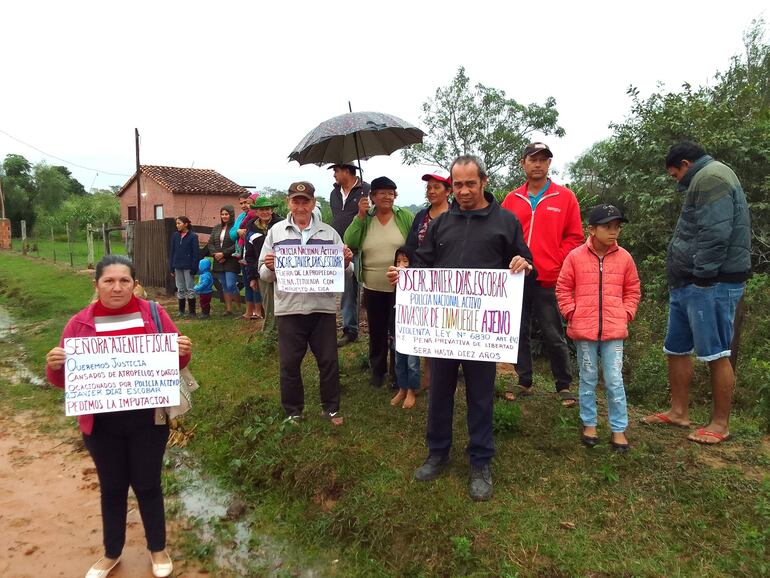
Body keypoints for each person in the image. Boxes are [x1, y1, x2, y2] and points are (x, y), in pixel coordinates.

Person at [387, 155, 534, 501]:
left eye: (470, 183)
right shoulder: (442, 223)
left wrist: (522, 263)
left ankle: (480, 461)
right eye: (457, 184)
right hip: (444, 328)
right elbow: (423, 262)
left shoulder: (506, 222)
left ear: (483, 181)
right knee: (439, 391)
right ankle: (437, 452)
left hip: (482, 334)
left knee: (480, 395)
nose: (463, 191)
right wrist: (404, 276)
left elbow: (527, 263)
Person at [45, 255, 192, 578]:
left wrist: (182, 351)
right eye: (109, 281)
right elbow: (63, 382)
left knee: (148, 484)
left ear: (134, 284)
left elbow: (174, 366)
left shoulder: (154, 314)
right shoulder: (78, 324)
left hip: (148, 420)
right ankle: (112, 552)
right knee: (111, 488)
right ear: (95, 284)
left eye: (124, 281)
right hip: (101, 424)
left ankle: (158, 548)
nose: (117, 287)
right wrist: (55, 366)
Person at [641, 141, 751, 445]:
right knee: (675, 349)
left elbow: (716, 233)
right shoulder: (703, 179)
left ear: (686, 164)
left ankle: (719, 424)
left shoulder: (712, 178)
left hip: (711, 283)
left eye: (674, 173)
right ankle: (678, 411)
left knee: (716, 353)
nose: (675, 179)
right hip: (687, 282)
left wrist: (703, 276)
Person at [259, 181, 353, 426]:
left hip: (321, 309)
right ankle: (293, 411)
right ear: (288, 202)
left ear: (313, 203)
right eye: (296, 201)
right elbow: (263, 273)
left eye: (305, 201)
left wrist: (345, 262)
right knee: (289, 364)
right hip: (288, 309)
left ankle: (331, 409)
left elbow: (348, 271)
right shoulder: (276, 233)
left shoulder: (329, 233)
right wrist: (270, 268)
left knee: (329, 361)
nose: (301, 206)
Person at [501, 142, 584, 407]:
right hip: (516, 278)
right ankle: (523, 379)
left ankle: (564, 384)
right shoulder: (512, 199)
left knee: (553, 332)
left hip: (548, 277)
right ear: (522, 163)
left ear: (549, 164)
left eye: (543, 159)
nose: (537, 164)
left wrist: (552, 263)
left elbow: (574, 238)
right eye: (532, 159)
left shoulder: (565, 197)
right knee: (518, 330)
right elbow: (502, 236)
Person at [556, 204, 641, 452]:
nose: (613, 232)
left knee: (614, 379)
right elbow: (562, 288)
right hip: (584, 330)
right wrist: (572, 312)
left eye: (617, 227)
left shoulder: (625, 258)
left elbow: (633, 289)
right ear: (591, 229)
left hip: (614, 331)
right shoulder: (575, 257)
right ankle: (589, 424)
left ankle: (618, 429)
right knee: (588, 377)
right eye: (607, 226)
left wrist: (626, 313)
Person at [344, 176, 414, 388]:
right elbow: (350, 241)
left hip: (401, 287)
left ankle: (397, 372)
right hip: (373, 287)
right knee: (377, 330)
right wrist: (360, 216)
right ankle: (377, 370)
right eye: (381, 192)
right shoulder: (365, 218)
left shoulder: (405, 217)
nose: (387, 196)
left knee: (398, 330)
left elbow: (413, 246)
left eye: (391, 193)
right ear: (372, 196)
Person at [405, 172, 453, 390]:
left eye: (437, 187)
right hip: (423, 279)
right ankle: (426, 375)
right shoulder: (421, 216)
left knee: (447, 327)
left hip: (450, 280)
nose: (432, 191)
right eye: (429, 188)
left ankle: (446, 374)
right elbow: (411, 244)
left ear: (448, 191)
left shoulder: (456, 214)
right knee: (427, 327)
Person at [329, 163, 371, 347]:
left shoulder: (367, 190)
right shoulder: (334, 193)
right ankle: (347, 327)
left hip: (360, 246)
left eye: (336, 171)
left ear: (347, 171)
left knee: (359, 288)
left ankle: (360, 328)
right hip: (339, 246)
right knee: (343, 288)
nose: (334, 175)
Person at [245, 196, 284, 331]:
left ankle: (285, 330)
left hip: (283, 270)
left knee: (284, 301)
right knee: (268, 302)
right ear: (256, 212)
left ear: (272, 210)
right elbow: (249, 255)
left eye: (267, 209)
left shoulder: (282, 225)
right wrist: (252, 277)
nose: (265, 212)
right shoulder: (250, 228)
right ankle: (270, 332)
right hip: (262, 270)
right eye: (261, 209)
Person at [391, 246, 420, 409]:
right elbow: (391, 308)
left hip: (412, 330)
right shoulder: (394, 283)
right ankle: (402, 388)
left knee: (412, 362)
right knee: (399, 360)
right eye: (398, 262)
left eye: (405, 261)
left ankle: (412, 390)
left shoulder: (417, 284)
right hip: (397, 329)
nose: (401, 265)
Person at [208, 205, 241, 316]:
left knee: (231, 284)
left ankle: (239, 308)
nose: (224, 216)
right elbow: (211, 243)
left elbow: (236, 244)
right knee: (224, 285)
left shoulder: (235, 227)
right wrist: (216, 254)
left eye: (226, 214)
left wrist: (224, 254)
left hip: (231, 259)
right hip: (218, 260)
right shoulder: (217, 228)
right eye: (222, 214)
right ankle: (229, 309)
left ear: (231, 214)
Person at [168, 216, 199, 318]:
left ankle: (192, 312)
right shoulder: (175, 236)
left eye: (179, 223)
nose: (177, 225)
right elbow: (172, 252)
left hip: (188, 267)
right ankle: (181, 311)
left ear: (186, 224)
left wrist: (194, 267)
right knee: (180, 288)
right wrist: (171, 266)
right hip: (177, 266)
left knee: (190, 288)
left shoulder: (193, 236)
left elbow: (195, 253)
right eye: (176, 223)